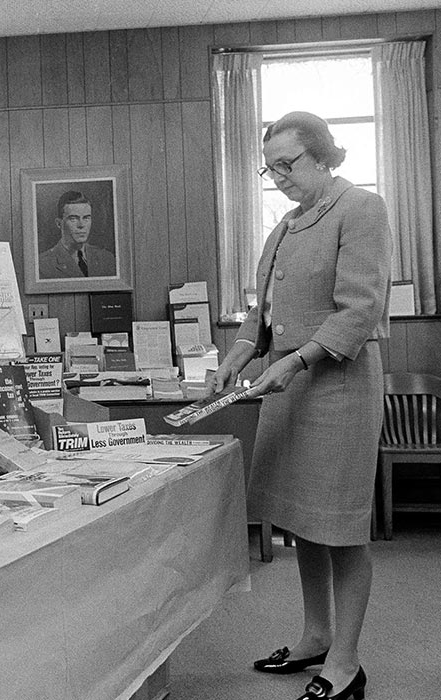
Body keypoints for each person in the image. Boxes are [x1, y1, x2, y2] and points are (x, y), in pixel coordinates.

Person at [213, 111, 391, 700]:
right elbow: (261, 312)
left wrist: (290, 363)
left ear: (324, 155)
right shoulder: (285, 225)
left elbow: (359, 310)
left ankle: (345, 661)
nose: (278, 176)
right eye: (272, 167)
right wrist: (240, 352)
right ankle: (315, 636)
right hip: (285, 386)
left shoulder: (360, 208)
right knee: (302, 524)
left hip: (335, 383)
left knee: (339, 527)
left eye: (287, 164)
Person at [38, 190, 116, 279]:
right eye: (73, 219)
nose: (81, 225)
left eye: (86, 218)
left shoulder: (106, 258)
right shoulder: (43, 265)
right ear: (59, 223)